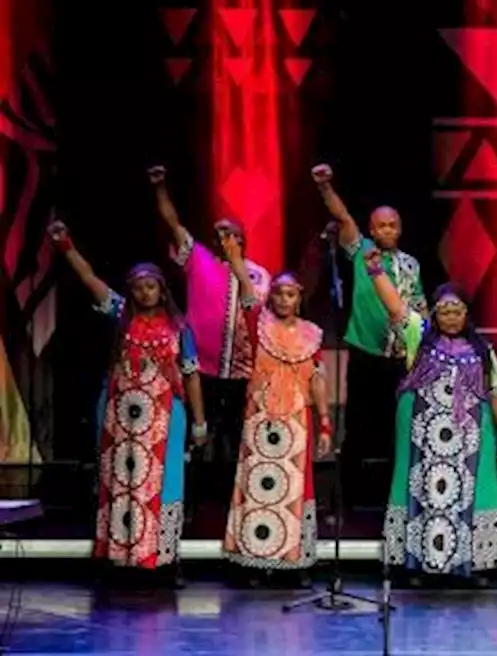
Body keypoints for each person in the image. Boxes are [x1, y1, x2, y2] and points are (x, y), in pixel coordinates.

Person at [48, 221, 206, 584]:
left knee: (165, 487)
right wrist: (66, 246)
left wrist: (200, 423)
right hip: (123, 419)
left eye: (151, 287)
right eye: (139, 288)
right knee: (122, 485)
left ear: (161, 289)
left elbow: (192, 375)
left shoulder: (179, 328)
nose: (145, 293)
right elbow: (89, 279)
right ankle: (120, 559)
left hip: (168, 418)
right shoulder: (122, 316)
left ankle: (165, 562)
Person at [362, 249, 497, 585]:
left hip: (469, 441)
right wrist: (376, 272)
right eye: (443, 311)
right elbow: (395, 307)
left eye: (456, 310)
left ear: (466, 314)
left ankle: (473, 566)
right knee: (424, 493)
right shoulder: (419, 337)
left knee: (470, 495)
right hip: (425, 440)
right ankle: (419, 565)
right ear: (434, 313)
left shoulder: (482, 350)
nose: (450, 317)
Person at [149, 166, 269, 515]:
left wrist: (236, 263)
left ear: (242, 239)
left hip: (242, 372)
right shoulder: (198, 259)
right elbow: (173, 223)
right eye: (218, 234)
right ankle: (192, 507)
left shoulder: (259, 273)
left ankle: (234, 508)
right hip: (200, 369)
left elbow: (254, 307)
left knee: (236, 442)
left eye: (230, 233)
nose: (223, 238)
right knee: (198, 439)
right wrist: (160, 189)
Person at [311, 163, 426, 508]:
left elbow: (419, 305)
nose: (387, 230)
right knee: (359, 427)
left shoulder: (411, 264)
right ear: (372, 230)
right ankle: (348, 500)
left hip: (400, 357)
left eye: (393, 225)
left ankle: (395, 499)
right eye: (381, 225)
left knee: (399, 427)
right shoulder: (362, 252)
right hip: (365, 354)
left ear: (400, 229)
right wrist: (325, 188)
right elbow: (344, 218)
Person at [221, 242, 333, 584]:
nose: (284, 300)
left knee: (296, 491)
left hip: (298, 422)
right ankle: (255, 561)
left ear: (299, 298)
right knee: (259, 489)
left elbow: (316, 382)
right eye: (279, 293)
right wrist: (235, 258)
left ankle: (294, 562)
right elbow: (248, 293)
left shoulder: (311, 335)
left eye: (291, 294)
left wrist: (325, 423)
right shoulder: (260, 325)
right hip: (261, 419)